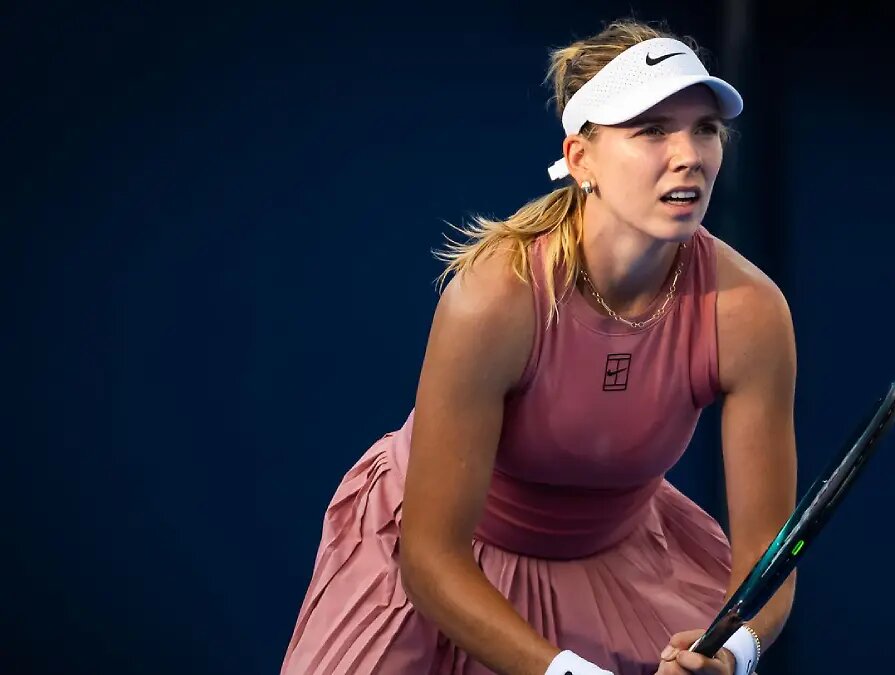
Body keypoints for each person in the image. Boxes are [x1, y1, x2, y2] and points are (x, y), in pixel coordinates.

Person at [281, 18, 798, 675]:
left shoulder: (750, 313)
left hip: (617, 566)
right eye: (651, 130)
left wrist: (737, 648)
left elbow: (769, 555)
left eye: (705, 129)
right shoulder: (494, 299)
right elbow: (431, 558)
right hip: (432, 563)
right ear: (581, 160)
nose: (689, 154)